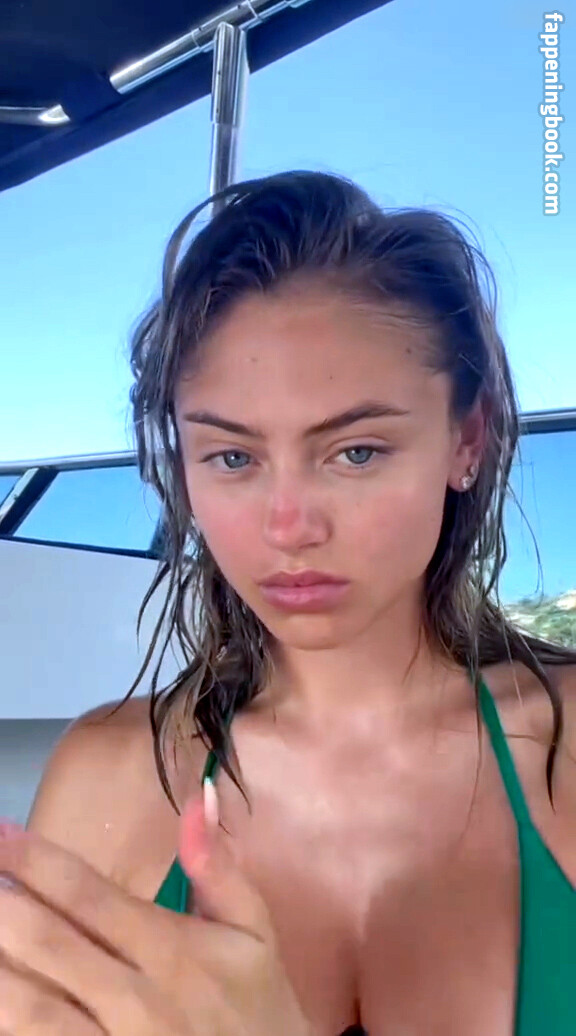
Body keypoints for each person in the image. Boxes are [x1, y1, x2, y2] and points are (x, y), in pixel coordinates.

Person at [2, 170, 575, 1034]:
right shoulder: (108, 777)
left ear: (467, 439)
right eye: (233, 458)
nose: (289, 526)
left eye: (355, 452)